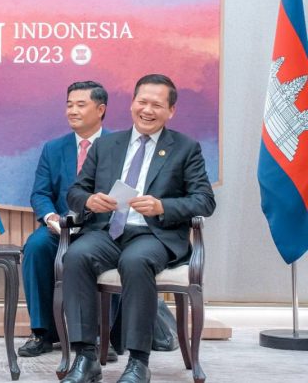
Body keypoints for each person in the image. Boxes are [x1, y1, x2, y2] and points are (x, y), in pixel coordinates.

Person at [61, 74, 215, 383]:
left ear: (171, 111)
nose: (147, 110)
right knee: (75, 256)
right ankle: (85, 357)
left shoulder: (185, 148)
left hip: (153, 235)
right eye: (142, 102)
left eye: (156, 105)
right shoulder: (106, 145)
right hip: (108, 231)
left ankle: (138, 362)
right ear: (132, 103)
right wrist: (90, 200)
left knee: (135, 261)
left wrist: (162, 206)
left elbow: (204, 201)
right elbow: (75, 192)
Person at [19, 81, 108, 357]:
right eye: (69, 105)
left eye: (81, 105)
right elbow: (40, 193)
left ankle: (103, 335)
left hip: (103, 229)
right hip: (61, 227)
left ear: (100, 109)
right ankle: (43, 332)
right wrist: (50, 217)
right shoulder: (53, 148)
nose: (72, 111)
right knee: (36, 247)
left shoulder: (119, 145)